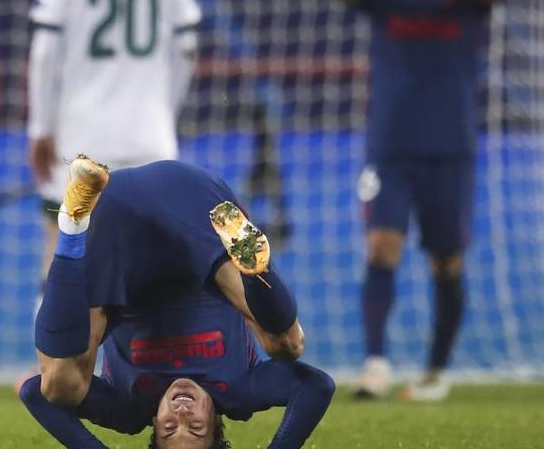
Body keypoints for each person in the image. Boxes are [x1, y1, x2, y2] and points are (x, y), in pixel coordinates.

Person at [18, 155, 334, 448]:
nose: (181, 415)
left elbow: (34, 393)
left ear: (155, 424)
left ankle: (72, 226)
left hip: (113, 220)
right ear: (215, 425)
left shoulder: (127, 409)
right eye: (195, 428)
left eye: (169, 429)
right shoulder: (239, 393)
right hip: (195, 205)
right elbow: (316, 386)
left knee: (59, 384)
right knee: (288, 345)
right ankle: (251, 258)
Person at [312, 0, 513, 401]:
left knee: (446, 260)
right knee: (382, 244)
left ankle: (435, 372)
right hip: (390, 145)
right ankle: (375, 365)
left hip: (450, 146)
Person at [26, 0, 200, 292]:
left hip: (81, 140)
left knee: (60, 262)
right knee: (152, 269)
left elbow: (45, 52)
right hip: (151, 141)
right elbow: (187, 47)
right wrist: (165, 113)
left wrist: (41, 129)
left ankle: (53, 329)